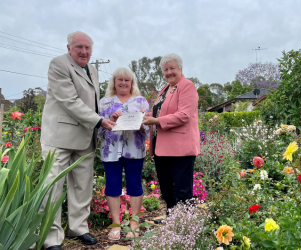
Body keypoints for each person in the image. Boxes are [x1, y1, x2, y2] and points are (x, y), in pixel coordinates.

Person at [40, 31, 116, 250]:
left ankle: (79, 228)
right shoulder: (58, 65)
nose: (84, 52)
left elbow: (91, 103)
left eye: (88, 48)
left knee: (82, 186)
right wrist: (100, 121)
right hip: (59, 138)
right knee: (53, 187)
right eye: (79, 47)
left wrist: (106, 116)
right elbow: (69, 101)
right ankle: (51, 238)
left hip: (85, 137)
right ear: (68, 48)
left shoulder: (92, 69)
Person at [142, 53, 200, 215]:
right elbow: (160, 111)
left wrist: (156, 121)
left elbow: (184, 115)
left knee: (182, 191)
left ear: (180, 68)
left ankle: (187, 226)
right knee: (167, 189)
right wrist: (147, 116)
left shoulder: (187, 86)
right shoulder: (165, 89)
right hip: (162, 147)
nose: (169, 72)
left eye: (172, 68)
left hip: (180, 148)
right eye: (165, 69)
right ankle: (172, 221)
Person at [98, 67, 150, 240]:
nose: (123, 83)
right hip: (110, 149)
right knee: (112, 185)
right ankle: (115, 225)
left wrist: (140, 123)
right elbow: (98, 129)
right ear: (114, 82)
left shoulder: (141, 101)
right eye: (119, 79)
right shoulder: (104, 102)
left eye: (127, 80)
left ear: (131, 82)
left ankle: (134, 224)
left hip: (133, 149)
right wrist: (110, 121)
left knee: (135, 185)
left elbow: (148, 129)